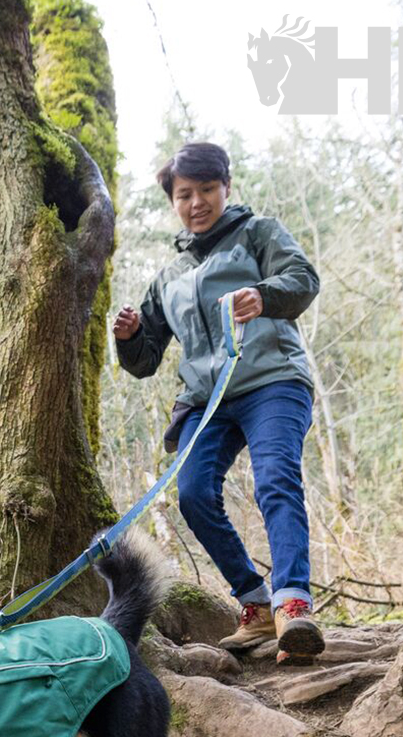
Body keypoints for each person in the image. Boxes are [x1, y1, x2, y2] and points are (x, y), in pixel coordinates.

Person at [113, 140, 324, 664]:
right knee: (193, 494)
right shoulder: (168, 278)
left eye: (208, 189)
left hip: (273, 380)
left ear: (226, 188)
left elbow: (303, 280)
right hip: (207, 401)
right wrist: (130, 335)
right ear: (173, 201)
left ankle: (293, 605)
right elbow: (144, 362)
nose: (198, 201)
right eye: (185, 194)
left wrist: (265, 295)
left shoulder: (259, 234)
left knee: (276, 480)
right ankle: (254, 604)